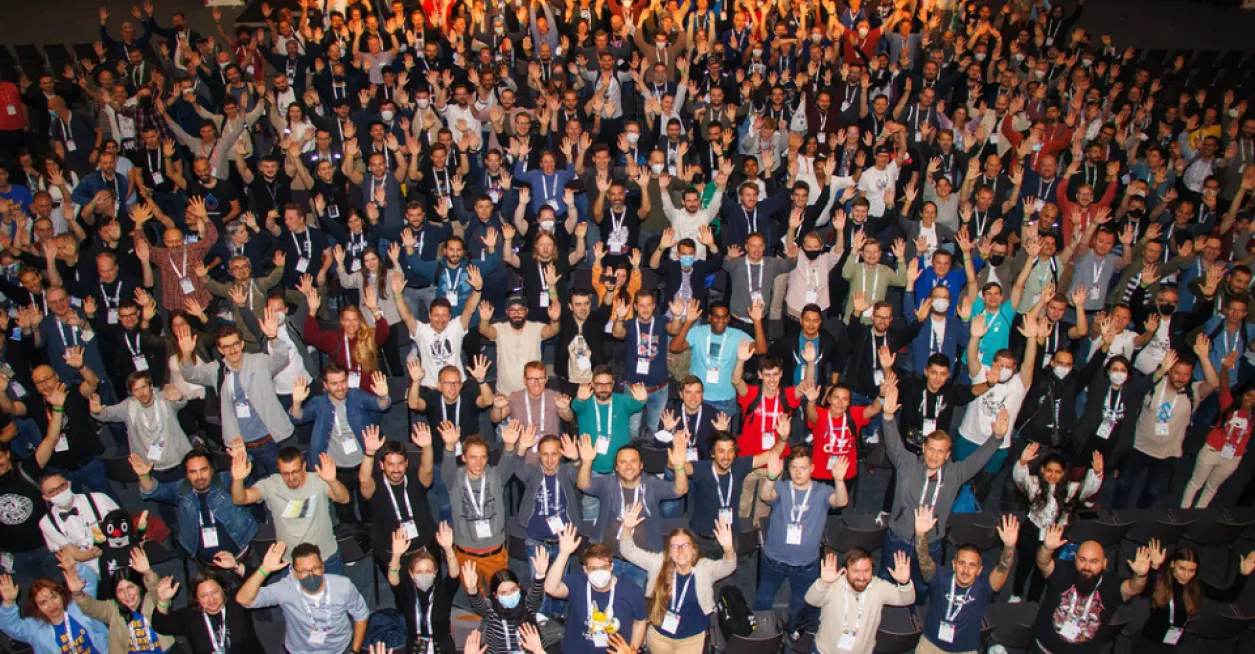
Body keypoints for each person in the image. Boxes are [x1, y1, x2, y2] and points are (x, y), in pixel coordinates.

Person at [879, 382, 1004, 595]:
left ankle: (915, 612)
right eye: (931, 449)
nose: (934, 456)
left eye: (940, 452)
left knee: (922, 586)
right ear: (924, 448)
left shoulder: (955, 474)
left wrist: (997, 438)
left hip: (931, 542)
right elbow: (893, 444)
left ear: (947, 455)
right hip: (899, 537)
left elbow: (978, 460)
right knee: (887, 579)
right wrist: (888, 417)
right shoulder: (907, 463)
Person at [177, 317, 293, 477]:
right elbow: (190, 375)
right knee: (246, 486)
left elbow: (282, 359)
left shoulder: (259, 361)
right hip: (240, 447)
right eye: (226, 347)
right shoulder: (217, 370)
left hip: (268, 441)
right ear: (220, 350)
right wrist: (186, 354)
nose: (232, 350)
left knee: (278, 482)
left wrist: (273, 338)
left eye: (235, 344)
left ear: (242, 344)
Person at [1113, 338, 1220, 509]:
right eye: (1177, 373)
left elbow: (1213, 383)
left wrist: (1204, 357)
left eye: (1186, 374)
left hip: (1167, 453)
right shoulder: (1154, 384)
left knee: (1152, 493)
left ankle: (1140, 517)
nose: (1181, 378)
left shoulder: (1193, 392)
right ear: (1170, 370)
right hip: (1138, 446)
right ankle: (1116, 515)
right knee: (1123, 484)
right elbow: (1135, 390)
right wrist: (1160, 370)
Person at [618, 502, 736, 654]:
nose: (680, 550)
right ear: (669, 552)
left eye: (685, 545)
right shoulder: (658, 563)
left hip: (692, 640)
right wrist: (627, 529)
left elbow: (729, 566)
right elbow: (628, 551)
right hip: (659, 638)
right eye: (674, 546)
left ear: (693, 549)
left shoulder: (704, 568)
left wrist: (728, 548)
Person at [755, 444, 850, 633]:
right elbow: (765, 495)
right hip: (775, 559)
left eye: (803, 468)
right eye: (794, 468)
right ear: (788, 469)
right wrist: (771, 477)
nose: (798, 473)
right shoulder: (782, 487)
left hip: (806, 563)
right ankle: (759, 634)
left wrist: (839, 481)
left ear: (812, 468)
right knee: (763, 599)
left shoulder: (822, 491)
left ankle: (792, 633)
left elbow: (841, 502)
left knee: (800, 605)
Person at [577, 431, 689, 589]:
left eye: (633, 461)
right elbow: (583, 485)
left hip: (640, 562)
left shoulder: (652, 484)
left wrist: (679, 468)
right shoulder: (607, 483)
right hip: (608, 561)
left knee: (636, 601)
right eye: (623, 462)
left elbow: (680, 490)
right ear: (616, 467)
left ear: (641, 465)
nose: (628, 466)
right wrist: (587, 462)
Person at [288, 366, 391, 526]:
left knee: (368, 501)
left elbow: (381, 405)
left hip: (364, 462)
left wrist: (384, 395)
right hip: (337, 467)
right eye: (334, 384)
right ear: (325, 385)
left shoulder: (356, 395)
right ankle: (352, 531)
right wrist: (296, 402)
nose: (340, 387)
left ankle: (369, 527)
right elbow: (298, 418)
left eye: (343, 381)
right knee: (344, 506)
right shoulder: (319, 403)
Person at [229, 443, 350, 573]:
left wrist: (332, 481)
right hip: (292, 560)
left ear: (303, 466)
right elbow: (240, 499)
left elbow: (344, 499)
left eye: (295, 472)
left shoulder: (318, 481)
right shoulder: (270, 485)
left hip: (324, 557)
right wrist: (238, 480)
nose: (291, 478)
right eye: (285, 473)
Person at [1031, 525, 1153, 654]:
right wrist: (1047, 549)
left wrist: (1140, 575)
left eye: (1094, 561)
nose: (1087, 566)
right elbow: (1043, 563)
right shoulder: (1063, 570)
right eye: (1082, 560)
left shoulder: (1112, 585)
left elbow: (1134, 588)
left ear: (1104, 563)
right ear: (1075, 559)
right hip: (1044, 649)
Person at [914, 507, 1018, 654]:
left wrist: (1009, 546)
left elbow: (1003, 568)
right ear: (954, 564)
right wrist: (920, 534)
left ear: (979, 570)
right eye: (962, 563)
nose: (965, 570)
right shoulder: (940, 578)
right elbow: (924, 559)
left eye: (972, 565)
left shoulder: (983, 587)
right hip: (930, 645)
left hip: (965, 650)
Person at [236, 542, 369, 654]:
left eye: (315, 568)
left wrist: (355, 651)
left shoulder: (343, 587)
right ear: (294, 572)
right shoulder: (287, 589)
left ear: (322, 567)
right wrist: (264, 569)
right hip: (300, 651)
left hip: (340, 649)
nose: (311, 575)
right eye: (304, 571)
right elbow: (244, 600)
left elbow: (361, 615)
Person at [1011, 445, 1104, 603]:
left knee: (1042, 571)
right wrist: (1022, 462)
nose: (1053, 475)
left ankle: (1032, 602)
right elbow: (1020, 479)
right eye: (1049, 470)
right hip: (1032, 531)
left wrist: (1097, 473)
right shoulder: (1034, 484)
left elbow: (1088, 489)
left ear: (1063, 473)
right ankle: (1016, 593)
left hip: (1054, 537)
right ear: (1042, 469)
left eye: (1058, 472)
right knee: (1024, 565)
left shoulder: (1070, 489)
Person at [133, 449, 258, 565]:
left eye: (203, 470)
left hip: (240, 553)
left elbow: (245, 472)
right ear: (187, 475)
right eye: (193, 472)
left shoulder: (223, 480)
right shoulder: (182, 489)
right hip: (205, 562)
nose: (199, 476)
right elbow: (154, 491)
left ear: (212, 470)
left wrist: (242, 457)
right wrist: (144, 476)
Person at [544, 524, 648, 654]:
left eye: (604, 567)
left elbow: (640, 622)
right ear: (585, 570)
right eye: (593, 568)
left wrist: (632, 651)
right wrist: (563, 554)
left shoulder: (631, 591)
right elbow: (551, 588)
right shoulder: (577, 582)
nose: (599, 572)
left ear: (611, 567)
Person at [1133, 544, 1255, 653]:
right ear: (1173, 564)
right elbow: (1145, 592)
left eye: (1192, 570)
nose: (1186, 575)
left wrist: (1243, 575)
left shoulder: (1195, 585)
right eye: (1182, 568)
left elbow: (1228, 596)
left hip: (1172, 641)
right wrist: (1154, 568)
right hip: (1149, 641)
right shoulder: (1160, 580)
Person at [360, 425, 438, 582]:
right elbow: (364, 481)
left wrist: (427, 447)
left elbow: (428, 470)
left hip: (423, 548)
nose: (396, 469)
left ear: (406, 463)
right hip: (392, 553)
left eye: (400, 463)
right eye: (390, 464)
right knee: (402, 591)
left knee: (432, 586)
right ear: (382, 465)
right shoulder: (375, 485)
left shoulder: (415, 477)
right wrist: (369, 453)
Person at [61, 547, 175, 654]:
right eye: (120, 590)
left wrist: (147, 572)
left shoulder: (150, 600)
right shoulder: (112, 609)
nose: (126, 595)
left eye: (130, 587)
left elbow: (157, 591)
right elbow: (90, 608)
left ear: (139, 587)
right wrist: (77, 593)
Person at [804, 548, 915, 654]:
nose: (861, 577)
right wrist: (823, 583)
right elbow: (811, 600)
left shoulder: (878, 587)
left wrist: (904, 583)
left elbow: (906, 599)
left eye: (866, 571)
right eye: (855, 571)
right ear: (846, 571)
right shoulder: (833, 585)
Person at [439, 425, 509, 594]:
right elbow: (447, 468)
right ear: (463, 457)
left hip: (494, 553)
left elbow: (509, 461)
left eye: (483, 457)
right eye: (473, 457)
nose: (479, 463)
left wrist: (510, 445)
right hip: (466, 554)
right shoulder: (455, 478)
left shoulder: (495, 476)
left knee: (502, 596)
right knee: (475, 598)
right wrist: (449, 446)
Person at [89, 372, 194, 482]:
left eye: (143, 387)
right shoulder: (129, 406)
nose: (141, 393)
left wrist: (180, 398)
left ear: (150, 386)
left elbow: (180, 403)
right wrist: (97, 412)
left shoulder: (164, 398)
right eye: (136, 390)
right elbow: (108, 414)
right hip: (151, 469)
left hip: (179, 463)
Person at [150, 564, 263, 654]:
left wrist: (236, 565)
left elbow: (259, 580)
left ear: (223, 589)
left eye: (215, 592)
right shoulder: (190, 616)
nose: (211, 600)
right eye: (204, 596)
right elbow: (161, 625)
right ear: (196, 598)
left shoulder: (238, 601)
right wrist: (163, 601)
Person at [386, 522, 461, 654]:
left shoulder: (442, 591)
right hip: (416, 648)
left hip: (442, 647)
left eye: (428, 571)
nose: (424, 575)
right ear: (411, 573)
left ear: (435, 572)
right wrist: (396, 556)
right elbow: (393, 580)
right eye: (419, 572)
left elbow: (454, 574)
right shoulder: (408, 592)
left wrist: (449, 549)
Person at [1181, 378, 1254, 508]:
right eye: (1249, 395)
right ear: (1242, 393)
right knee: (1196, 483)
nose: (1251, 400)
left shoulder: (1252, 416)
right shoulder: (1228, 405)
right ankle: (1183, 512)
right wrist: (1225, 368)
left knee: (1212, 488)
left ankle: (1198, 514)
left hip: (1232, 458)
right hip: (1212, 450)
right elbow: (1224, 386)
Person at [461, 548, 550, 654]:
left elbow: (536, 594)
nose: (510, 595)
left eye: (513, 590)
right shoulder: (491, 609)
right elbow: (479, 605)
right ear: (495, 595)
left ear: (519, 587)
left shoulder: (527, 603)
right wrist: (472, 589)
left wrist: (540, 575)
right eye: (503, 593)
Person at [0, 573, 109, 654]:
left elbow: (89, 582)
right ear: (37, 607)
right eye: (43, 602)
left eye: (54, 597)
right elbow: (11, 627)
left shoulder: (78, 606)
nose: (51, 605)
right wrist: (9, 602)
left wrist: (75, 566)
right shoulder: (34, 628)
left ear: (61, 595)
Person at [37, 472, 120, 577]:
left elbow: (121, 526)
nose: (59, 492)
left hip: (117, 557)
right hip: (90, 572)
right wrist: (82, 555)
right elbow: (72, 552)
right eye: (52, 491)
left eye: (62, 486)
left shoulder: (99, 499)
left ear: (69, 484)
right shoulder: (47, 523)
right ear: (45, 497)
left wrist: (105, 546)